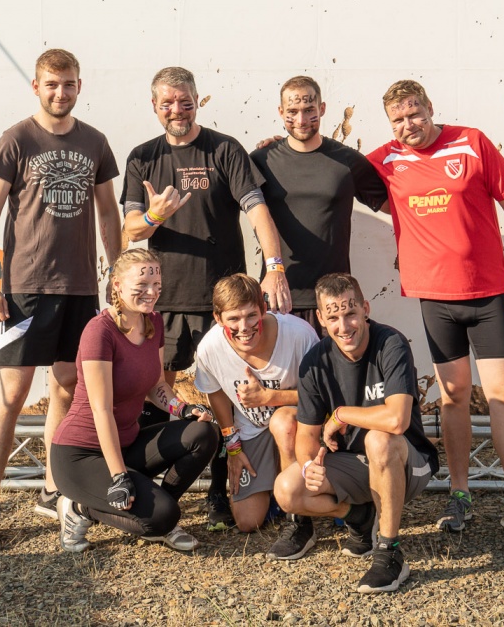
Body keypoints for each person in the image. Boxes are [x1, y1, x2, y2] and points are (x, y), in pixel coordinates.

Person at [367, 79, 504, 545]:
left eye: (414, 114)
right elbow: (329, 167)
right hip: (436, 299)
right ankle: (459, 494)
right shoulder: (385, 159)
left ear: (429, 107)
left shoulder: (471, 142)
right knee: (453, 395)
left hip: (487, 294)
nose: (408, 125)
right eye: (398, 120)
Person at [120, 66, 293, 526]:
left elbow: (257, 211)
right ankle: (156, 487)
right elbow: (132, 228)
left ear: (198, 100)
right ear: (154, 106)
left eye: (185, 101)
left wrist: (274, 267)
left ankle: (222, 488)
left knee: (227, 397)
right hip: (163, 301)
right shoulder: (142, 157)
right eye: (167, 103)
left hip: (223, 305)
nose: (177, 110)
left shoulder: (224, 149)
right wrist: (154, 216)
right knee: (154, 391)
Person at [0, 48, 122, 553]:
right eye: (52, 84)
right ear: (36, 86)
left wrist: (117, 275)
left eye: (69, 84)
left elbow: (107, 213)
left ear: (80, 86)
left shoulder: (95, 142)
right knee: (12, 396)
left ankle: (53, 490)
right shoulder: (17, 139)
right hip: (25, 290)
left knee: (66, 390)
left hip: (80, 288)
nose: (61, 92)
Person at [273, 273, 439, 593]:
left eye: (350, 313)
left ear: (365, 309)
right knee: (288, 491)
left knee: (379, 438)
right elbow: (306, 435)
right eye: (333, 317)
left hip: (408, 462)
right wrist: (308, 467)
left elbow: (398, 420)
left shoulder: (391, 343)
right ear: (321, 318)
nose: (344, 326)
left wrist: (341, 414)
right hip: (355, 464)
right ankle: (359, 516)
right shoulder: (315, 361)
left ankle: (389, 553)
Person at [48, 248, 220, 553]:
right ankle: (79, 508)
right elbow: (101, 409)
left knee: (203, 432)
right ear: (117, 285)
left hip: (126, 444)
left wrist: (184, 409)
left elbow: (155, 385)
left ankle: (159, 515)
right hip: (81, 455)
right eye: (141, 286)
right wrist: (119, 476)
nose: (151, 293)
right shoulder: (99, 331)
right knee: (162, 516)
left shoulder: (153, 322)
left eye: (157, 285)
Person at [250, 76, 389, 333]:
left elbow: (394, 205)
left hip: (335, 302)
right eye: (292, 111)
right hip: (280, 295)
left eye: (309, 110)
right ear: (280, 112)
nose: (301, 120)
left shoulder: (348, 160)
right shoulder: (262, 160)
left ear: (322, 108)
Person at [193, 274, 317, 536]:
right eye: (233, 319)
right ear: (218, 318)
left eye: (251, 315)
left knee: (283, 422)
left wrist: (271, 398)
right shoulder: (209, 348)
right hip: (252, 427)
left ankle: (296, 514)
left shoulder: (298, 334)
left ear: (263, 308)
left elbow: (322, 394)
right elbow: (216, 394)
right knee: (248, 522)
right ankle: (274, 494)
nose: (244, 327)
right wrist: (233, 446)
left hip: (295, 426)